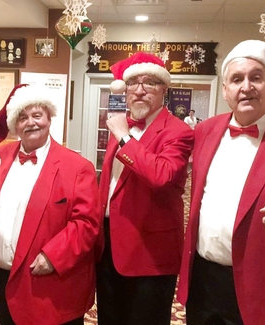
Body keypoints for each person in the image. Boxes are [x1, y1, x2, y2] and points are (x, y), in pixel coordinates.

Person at [177, 40, 265, 325]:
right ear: (226, 90)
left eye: (256, 77)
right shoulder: (206, 130)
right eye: (236, 79)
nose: (246, 87)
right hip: (204, 280)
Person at [0, 84, 102, 325]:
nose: (30, 123)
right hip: (4, 281)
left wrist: (53, 256)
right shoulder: (1, 157)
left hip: (49, 285)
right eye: (22, 117)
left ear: (49, 118)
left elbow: (87, 223)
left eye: (37, 115)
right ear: (14, 125)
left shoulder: (78, 167)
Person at [96, 52, 194, 325]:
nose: (139, 90)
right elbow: (111, 183)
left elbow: (162, 176)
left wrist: (125, 138)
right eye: (133, 83)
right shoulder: (123, 126)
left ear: (164, 89)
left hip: (150, 251)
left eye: (149, 82)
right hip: (109, 246)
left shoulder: (178, 131)